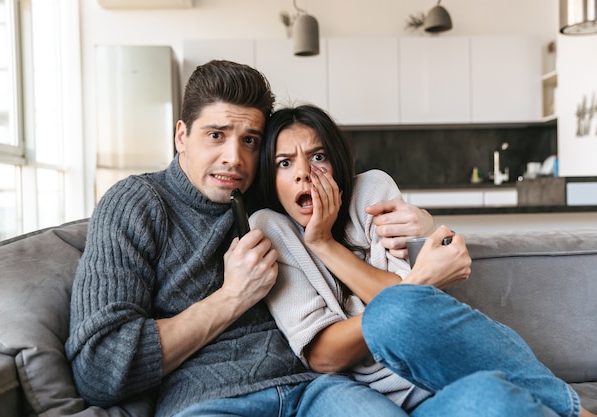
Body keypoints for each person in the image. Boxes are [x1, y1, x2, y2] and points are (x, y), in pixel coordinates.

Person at [65, 60, 437, 417]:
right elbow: (100, 367)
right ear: (182, 135)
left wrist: (422, 223)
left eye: (250, 141)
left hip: (318, 388)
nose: (235, 158)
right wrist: (232, 297)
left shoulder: (271, 192)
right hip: (209, 400)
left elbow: (357, 217)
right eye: (216, 135)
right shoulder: (137, 204)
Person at [250, 104, 596, 417]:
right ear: (271, 177)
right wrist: (415, 284)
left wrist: (325, 244)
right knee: (401, 321)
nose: (303, 173)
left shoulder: (371, 192)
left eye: (318, 156)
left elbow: (406, 314)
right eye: (285, 163)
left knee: (407, 323)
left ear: (338, 163)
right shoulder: (271, 227)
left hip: (443, 374)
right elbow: (325, 355)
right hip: (370, 396)